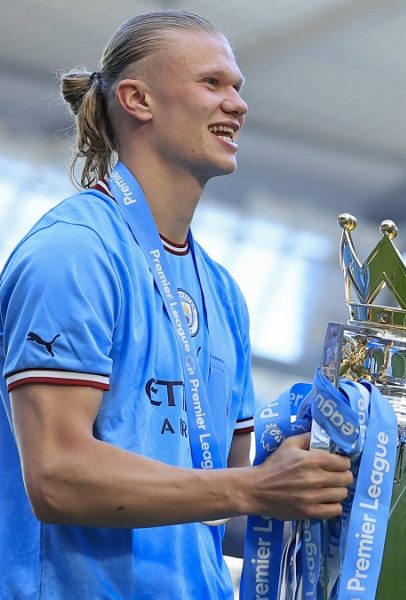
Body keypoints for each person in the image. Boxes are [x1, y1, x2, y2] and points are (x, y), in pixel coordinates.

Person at [0, 10, 352, 599]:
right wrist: (254, 488)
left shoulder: (222, 291)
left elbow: (225, 508)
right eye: (212, 83)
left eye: (237, 87)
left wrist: (327, 491)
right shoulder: (74, 253)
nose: (238, 104)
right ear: (138, 99)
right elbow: (57, 476)